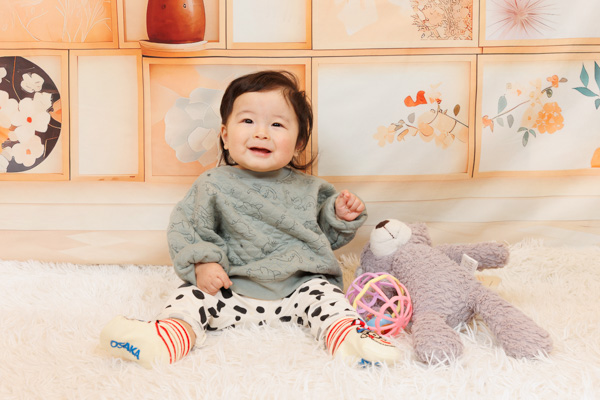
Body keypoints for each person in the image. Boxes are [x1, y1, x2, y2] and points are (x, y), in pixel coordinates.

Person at [100, 70, 400, 369]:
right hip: (231, 288)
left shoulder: (312, 189)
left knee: (330, 300)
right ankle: (166, 338)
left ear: (298, 142)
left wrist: (339, 215)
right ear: (225, 135)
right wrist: (203, 263)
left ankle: (350, 341)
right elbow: (188, 227)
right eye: (247, 121)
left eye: (277, 124)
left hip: (300, 287)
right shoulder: (212, 184)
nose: (261, 133)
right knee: (190, 298)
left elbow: (325, 237)